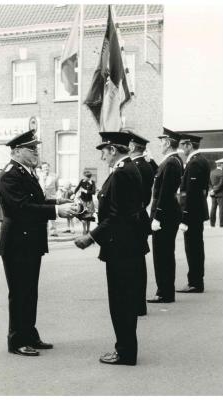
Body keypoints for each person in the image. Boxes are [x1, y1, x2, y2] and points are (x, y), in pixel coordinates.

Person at [0, 130, 77, 357]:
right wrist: (56, 210)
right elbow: (21, 209)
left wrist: (59, 202)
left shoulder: (26, 173)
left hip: (29, 241)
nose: (36, 152)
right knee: (20, 292)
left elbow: (37, 202)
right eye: (32, 149)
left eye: (36, 148)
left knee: (30, 292)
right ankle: (17, 340)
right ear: (17, 151)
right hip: (17, 243)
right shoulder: (10, 175)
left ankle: (29, 334)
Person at [75, 131, 149, 366]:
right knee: (124, 301)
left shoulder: (121, 174)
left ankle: (125, 352)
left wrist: (91, 237)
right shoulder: (129, 169)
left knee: (120, 302)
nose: (102, 157)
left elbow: (117, 215)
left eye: (104, 152)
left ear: (113, 150)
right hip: (128, 246)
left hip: (121, 248)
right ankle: (126, 349)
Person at [147, 128, 183, 303]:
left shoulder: (170, 162)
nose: (160, 144)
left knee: (162, 255)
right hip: (169, 213)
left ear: (168, 143)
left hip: (165, 215)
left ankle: (164, 292)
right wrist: (152, 161)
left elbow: (165, 192)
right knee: (165, 254)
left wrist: (157, 216)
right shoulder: (172, 161)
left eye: (162, 141)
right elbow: (162, 179)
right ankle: (166, 291)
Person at [124, 129, 155, 316]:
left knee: (134, 265)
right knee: (138, 263)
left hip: (135, 218)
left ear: (132, 147)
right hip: (140, 216)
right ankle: (138, 304)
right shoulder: (145, 164)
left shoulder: (137, 166)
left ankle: (136, 304)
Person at [176, 133, 211, 293]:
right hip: (197, 212)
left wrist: (185, 215)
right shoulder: (200, 161)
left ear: (189, 145)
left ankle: (195, 282)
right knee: (196, 247)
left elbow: (191, 192)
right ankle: (196, 281)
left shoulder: (195, 163)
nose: (181, 148)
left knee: (193, 248)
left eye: (182, 144)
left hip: (193, 214)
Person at [39, 162, 59, 237]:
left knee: (51, 213)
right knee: (42, 214)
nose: (46, 169)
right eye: (44, 167)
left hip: (51, 197)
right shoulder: (38, 176)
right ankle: (42, 231)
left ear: (49, 167)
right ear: (42, 169)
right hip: (41, 198)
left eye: (47, 167)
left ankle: (53, 231)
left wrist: (53, 194)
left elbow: (57, 187)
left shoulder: (54, 176)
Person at [74, 170, 96, 235]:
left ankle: (88, 230)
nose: (84, 178)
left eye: (85, 177)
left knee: (88, 217)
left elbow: (93, 192)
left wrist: (85, 191)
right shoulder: (82, 181)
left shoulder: (92, 182)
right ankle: (84, 230)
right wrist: (74, 194)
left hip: (89, 202)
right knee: (83, 216)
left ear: (88, 177)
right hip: (83, 201)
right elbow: (77, 188)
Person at [209, 158, 223, 228]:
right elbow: (221, 183)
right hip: (221, 193)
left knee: (213, 209)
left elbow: (209, 183)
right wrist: (215, 190)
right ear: (221, 165)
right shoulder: (222, 173)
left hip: (213, 193)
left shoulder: (211, 172)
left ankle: (212, 224)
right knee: (221, 210)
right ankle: (221, 224)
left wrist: (212, 190)